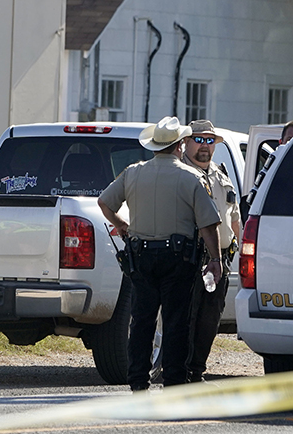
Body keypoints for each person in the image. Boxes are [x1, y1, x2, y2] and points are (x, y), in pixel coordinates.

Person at [98, 116, 222, 391]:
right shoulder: (192, 177)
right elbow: (208, 225)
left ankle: (138, 380)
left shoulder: (132, 172)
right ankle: (174, 381)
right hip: (178, 259)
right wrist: (216, 259)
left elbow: (104, 202)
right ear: (180, 146)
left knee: (142, 320)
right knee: (176, 321)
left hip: (141, 256)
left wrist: (121, 225)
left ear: (154, 146)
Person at [181, 120, 242, 382]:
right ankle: (179, 370)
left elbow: (235, 218)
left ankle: (196, 370)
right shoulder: (180, 173)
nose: (204, 146)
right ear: (185, 142)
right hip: (189, 257)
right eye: (199, 140)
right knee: (185, 317)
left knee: (209, 319)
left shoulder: (221, 175)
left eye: (209, 141)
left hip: (220, 260)